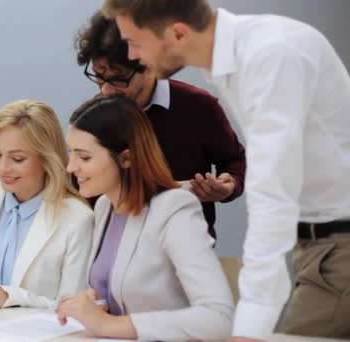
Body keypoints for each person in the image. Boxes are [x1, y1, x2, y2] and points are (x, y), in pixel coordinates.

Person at [102, 0, 350, 340]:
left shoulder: (270, 55)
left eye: (134, 42)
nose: (130, 55)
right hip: (319, 243)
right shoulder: (239, 60)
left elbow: (272, 193)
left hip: (339, 244)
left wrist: (249, 327)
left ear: (177, 33)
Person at [58, 94, 234, 341]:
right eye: (71, 153)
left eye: (84, 157)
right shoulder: (105, 207)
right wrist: (93, 303)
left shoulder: (174, 209)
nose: (70, 167)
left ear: (127, 158)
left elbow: (218, 319)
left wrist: (108, 325)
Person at [75, 11, 246, 238]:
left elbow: (234, 160)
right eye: (99, 75)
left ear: (150, 66)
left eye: (119, 78)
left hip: (186, 249)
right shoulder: (91, 118)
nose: (106, 90)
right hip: (112, 250)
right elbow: (77, 192)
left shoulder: (199, 106)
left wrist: (228, 186)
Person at [0, 100, 93, 311]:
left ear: (46, 158)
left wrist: (9, 296)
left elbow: (72, 309)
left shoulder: (78, 218)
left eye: (18, 158)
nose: (3, 168)